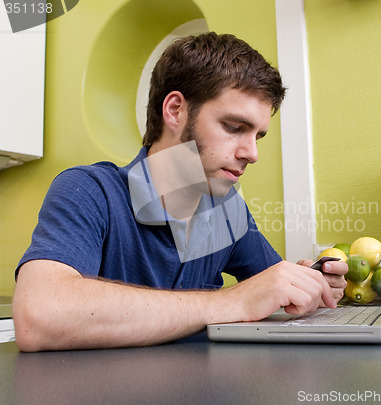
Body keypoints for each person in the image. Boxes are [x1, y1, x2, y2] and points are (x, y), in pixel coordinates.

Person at [13, 32, 347, 352]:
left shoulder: (227, 210)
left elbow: (271, 289)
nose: (251, 153)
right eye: (234, 128)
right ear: (175, 110)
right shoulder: (88, 191)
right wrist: (233, 301)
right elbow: (39, 315)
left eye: (258, 136)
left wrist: (309, 283)